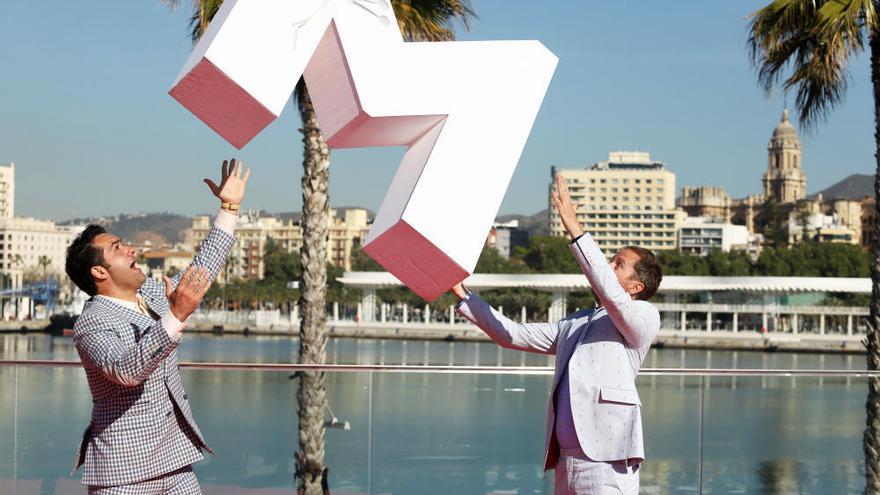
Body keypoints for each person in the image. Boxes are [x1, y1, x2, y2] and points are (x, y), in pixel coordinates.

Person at [451, 174, 662, 494]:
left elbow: (612, 297)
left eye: (617, 264)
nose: (607, 265)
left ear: (636, 286)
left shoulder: (644, 317)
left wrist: (574, 227)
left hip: (607, 462)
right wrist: (461, 293)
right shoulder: (578, 323)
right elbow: (513, 334)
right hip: (567, 461)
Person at [66, 159, 250, 494]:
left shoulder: (150, 294)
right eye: (117, 248)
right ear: (99, 272)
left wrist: (229, 207)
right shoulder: (91, 324)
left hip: (175, 462)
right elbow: (125, 369)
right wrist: (176, 315)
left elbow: (200, 272)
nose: (131, 248)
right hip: (125, 474)